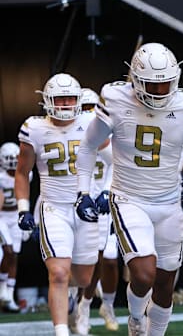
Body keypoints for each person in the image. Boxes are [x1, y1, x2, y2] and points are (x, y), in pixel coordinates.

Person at [75, 43, 183, 336]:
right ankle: (136, 318)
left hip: (170, 202)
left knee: (166, 282)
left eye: (165, 83)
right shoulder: (116, 98)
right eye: (152, 84)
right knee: (143, 275)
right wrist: (83, 192)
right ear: (136, 80)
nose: (159, 90)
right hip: (129, 198)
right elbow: (88, 145)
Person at [15, 73, 109, 336]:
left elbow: (115, 160)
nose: (66, 104)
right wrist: (24, 208)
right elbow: (22, 173)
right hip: (54, 207)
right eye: (60, 98)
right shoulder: (34, 128)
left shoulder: (91, 121)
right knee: (57, 273)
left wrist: (106, 192)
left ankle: (71, 294)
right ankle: (61, 331)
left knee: (83, 279)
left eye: (70, 98)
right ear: (47, 100)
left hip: (85, 208)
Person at [74, 88, 119, 335]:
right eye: (84, 109)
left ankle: (93, 306)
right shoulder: (66, 135)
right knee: (73, 260)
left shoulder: (106, 135)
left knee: (104, 260)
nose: (87, 114)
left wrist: (106, 192)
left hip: (101, 205)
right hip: (73, 202)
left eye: (92, 109)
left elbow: (117, 163)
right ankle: (75, 301)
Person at [0, 142, 27, 313]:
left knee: (14, 256)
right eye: (8, 159)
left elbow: (25, 195)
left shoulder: (25, 174)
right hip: (2, 216)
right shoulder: (0, 177)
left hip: (16, 216)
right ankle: (3, 289)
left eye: (13, 159)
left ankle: (9, 295)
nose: (11, 162)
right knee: (7, 251)